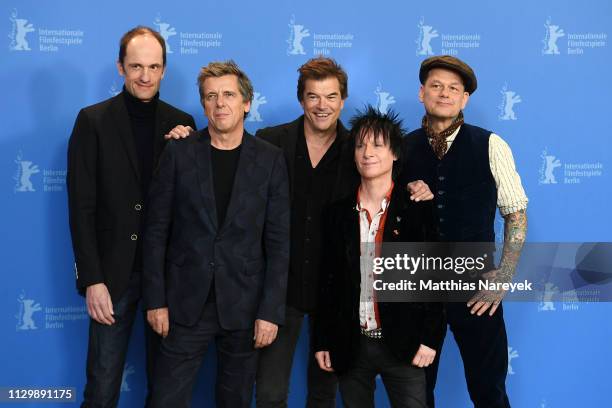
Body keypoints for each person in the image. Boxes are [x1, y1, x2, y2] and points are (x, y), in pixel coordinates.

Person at [164, 57, 433, 407]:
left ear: (342, 99)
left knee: (324, 391)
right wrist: (184, 134)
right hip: (280, 288)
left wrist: (418, 186)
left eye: (331, 96)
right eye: (313, 96)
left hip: (336, 292)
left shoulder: (359, 149)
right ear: (301, 99)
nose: (322, 105)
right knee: (271, 392)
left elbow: (391, 178)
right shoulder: (270, 142)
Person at [142, 60, 290, 408]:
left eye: (228, 95)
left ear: (246, 103)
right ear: (203, 104)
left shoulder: (270, 160)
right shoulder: (179, 153)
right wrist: (156, 300)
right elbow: (155, 232)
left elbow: (279, 243)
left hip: (244, 305)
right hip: (183, 305)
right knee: (164, 401)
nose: (219, 103)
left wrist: (270, 311)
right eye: (211, 96)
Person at [67, 26, 195, 407]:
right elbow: (81, 208)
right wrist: (92, 280)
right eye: (136, 66)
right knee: (103, 387)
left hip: (168, 280)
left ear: (164, 70)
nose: (145, 76)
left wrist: (190, 151)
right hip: (112, 278)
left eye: (154, 67)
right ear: (120, 68)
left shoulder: (183, 124)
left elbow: (194, 204)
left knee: (167, 391)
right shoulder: (92, 121)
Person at [400, 55, 528, 408]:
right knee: (414, 394)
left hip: (475, 288)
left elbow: (516, 214)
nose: (444, 94)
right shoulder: (400, 148)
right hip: (417, 288)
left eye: (453, 88)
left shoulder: (491, 145)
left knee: (489, 391)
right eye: (436, 86)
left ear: (465, 98)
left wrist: (503, 276)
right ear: (422, 93)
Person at [313, 106, 445, 408]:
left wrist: (430, 338)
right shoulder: (336, 214)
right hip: (351, 344)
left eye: (377, 145)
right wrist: (322, 340)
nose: (367, 153)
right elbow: (327, 283)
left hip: (404, 342)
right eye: (360, 145)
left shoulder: (416, 208)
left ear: (395, 153)